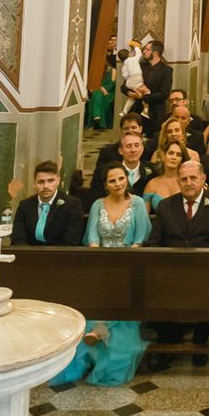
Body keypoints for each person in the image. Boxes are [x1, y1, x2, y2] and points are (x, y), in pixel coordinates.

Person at [53, 165, 150, 386]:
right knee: (96, 289)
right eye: (112, 180)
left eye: (121, 179)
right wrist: (101, 263)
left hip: (130, 265)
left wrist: (122, 264)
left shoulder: (137, 204)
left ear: (127, 180)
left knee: (119, 288)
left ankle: (99, 329)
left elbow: (140, 238)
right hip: (101, 262)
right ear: (105, 184)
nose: (118, 184)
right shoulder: (98, 204)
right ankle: (96, 331)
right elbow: (92, 238)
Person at [147, 158, 209, 365]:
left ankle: (200, 344)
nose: (189, 182)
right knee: (154, 292)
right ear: (178, 181)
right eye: (184, 179)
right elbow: (155, 242)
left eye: (193, 178)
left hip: (206, 270)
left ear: (203, 178)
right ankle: (171, 342)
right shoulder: (166, 206)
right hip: (171, 270)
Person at [12, 160, 85, 245]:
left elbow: (71, 242)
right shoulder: (25, 206)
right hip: (29, 255)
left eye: (50, 181)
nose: (46, 186)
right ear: (34, 183)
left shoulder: (73, 205)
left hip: (60, 255)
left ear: (58, 180)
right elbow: (18, 238)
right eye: (41, 182)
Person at [92, 131, 150, 196]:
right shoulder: (103, 172)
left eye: (137, 145)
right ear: (120, 151)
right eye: (128, 146)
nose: (133, 150)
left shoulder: (152, 172)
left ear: (142, 149)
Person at [143, 142, 187, 209]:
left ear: (182, 160)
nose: (174, 157)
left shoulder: (187, 182)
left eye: (178, 155)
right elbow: (144, 216)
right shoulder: (152, 184)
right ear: (164, 156)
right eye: (171, 153)